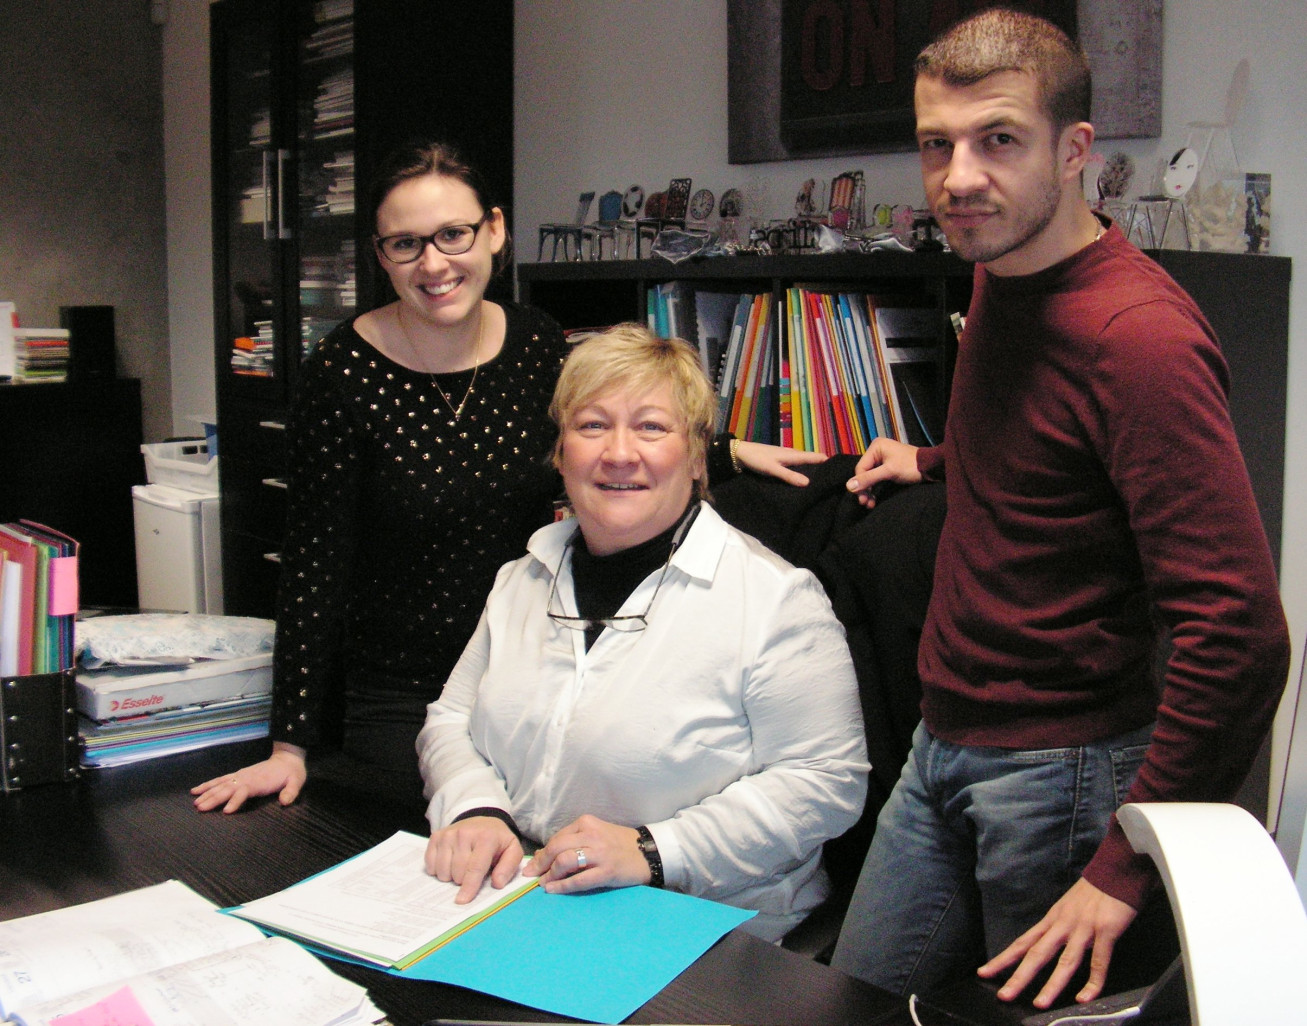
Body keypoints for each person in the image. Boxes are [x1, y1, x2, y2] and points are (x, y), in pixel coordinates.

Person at [830, 8, 1290, 1012]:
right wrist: (936, 457)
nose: (956, 177)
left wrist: (1120, 871)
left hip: (1063, 779)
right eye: (934, 145)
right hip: (942, 742)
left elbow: (1241, 635)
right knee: (848, 1005)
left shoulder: (1139, 339)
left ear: (1074, 151)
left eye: (997, 140)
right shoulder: (1000, 267)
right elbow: (1060, 452)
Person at [192, 141, 826, 816]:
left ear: (492, 230)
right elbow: (313, 567)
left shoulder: (534, 341)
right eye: (405, 244)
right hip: (399, 689)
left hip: (530, 663)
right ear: (381, 257)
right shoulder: (343, 373)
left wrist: (721, 451)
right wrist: (289, 744)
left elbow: (595, 439)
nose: (433, 263)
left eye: (452, 235)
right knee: (421, 849)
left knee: (549, 832)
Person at [417, 324, 869, 941]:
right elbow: (449, 719)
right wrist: (475, 808)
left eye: (651, 427)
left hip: (708, 925)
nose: (619, 452)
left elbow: (825, 780)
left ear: (696, 455)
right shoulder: (522, 578)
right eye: (593, 425)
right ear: (561, 451)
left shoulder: (774, 601)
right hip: (524, 897)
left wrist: (657, 851)